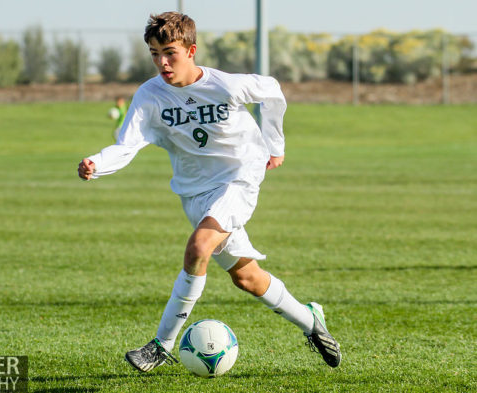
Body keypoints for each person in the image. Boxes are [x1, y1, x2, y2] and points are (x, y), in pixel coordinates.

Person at [78, 11, 342, 372]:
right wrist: (96, 163)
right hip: (195, 192)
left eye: (169, 52)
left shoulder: (225, 85)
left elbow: (272, 91)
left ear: (191, 50)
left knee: (198, 247)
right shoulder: (150, 95)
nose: (162, 62)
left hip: (239, 177)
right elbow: (128, 144)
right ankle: (312, 321)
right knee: (246, 277)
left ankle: (161, 345)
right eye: (154, 54)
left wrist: (274, 144)